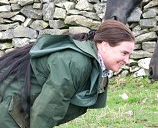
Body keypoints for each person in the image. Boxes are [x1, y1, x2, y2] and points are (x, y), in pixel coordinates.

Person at [0, 20, 135, 128]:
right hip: (10, 110)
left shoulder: (93, 66)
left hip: (18, 110)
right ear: (105, 46)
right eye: (124, 53)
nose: (127, 60)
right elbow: (48, 109)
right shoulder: (76, 63)